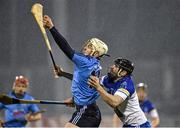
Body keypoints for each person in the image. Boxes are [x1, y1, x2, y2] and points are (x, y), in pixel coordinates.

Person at [43, 15, 108, 127]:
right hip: (90, 110)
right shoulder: (95, 64)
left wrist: (52, 28)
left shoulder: (85, 62)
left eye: (89, 46)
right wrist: (63, 74)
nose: (85, 47)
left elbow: (66, 48)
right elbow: (82, 80)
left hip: (86, 112)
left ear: (96, 53)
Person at [88, 58, 151, 127]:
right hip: (128, 124)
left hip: (139, 125)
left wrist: (99, 88)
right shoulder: (110, 79)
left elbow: (114, 102)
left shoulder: (126, 84)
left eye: (116, 66)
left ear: (123, 72)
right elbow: (94, 81)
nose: (112, 67)